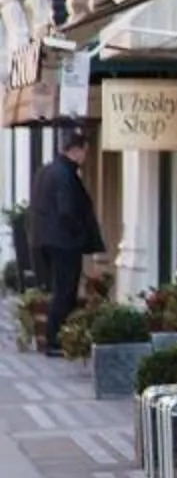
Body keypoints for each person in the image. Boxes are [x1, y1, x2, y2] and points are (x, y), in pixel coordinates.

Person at [31, 129, 102, 352]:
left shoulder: (47, 171)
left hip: (46, 239)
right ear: (77, 150)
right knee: (66, 291)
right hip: (64, 242)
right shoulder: (65, 174)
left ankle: (57, 338)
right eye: (85, 152)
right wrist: (81, 231)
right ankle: (55, 340)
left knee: (60, 289)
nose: (86, 157)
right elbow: (66, 210)